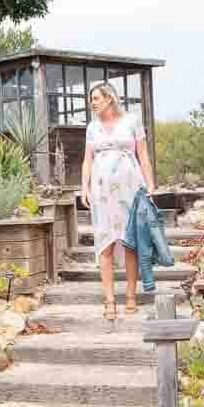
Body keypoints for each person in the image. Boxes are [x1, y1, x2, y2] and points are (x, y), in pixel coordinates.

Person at [79, 81, 156, 323]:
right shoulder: (92, 128)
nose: (93, 103)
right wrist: (84, 188)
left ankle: (131, 295)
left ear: (110, 98)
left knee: (130, 241)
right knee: (105, 242)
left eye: (96, 98)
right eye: (92, 99)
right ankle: (110, 300)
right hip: (102, 192)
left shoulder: (132, 122)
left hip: (130, 189)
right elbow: (87, 160)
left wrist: (151, 184)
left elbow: (143, 156)